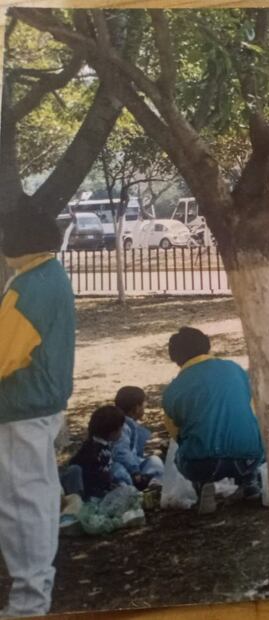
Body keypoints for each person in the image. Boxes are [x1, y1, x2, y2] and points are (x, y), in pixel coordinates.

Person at [0, 208, 75, 617]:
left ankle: (28, 605)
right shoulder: (50, 276)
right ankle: (34, 594)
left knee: (21, 506)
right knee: (37, 501)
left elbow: (3, 356)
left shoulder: (29, 286)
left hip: (20, 410)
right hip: (39, 407)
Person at [162, 327, 265, 514]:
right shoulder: (235, 369)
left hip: (203, 463)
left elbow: (176, 433)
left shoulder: (174, 389)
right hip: (249, 456)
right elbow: (252, 408)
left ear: (174, 357)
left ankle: (203, 485)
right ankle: (250, 482)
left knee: (181, 453)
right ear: (207, 346)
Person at [111, 386, 165, 491]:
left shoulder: (131, 425)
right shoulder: (123, 427)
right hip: (125, 467)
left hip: (133, 464)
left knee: (154, 460)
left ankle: (154, 484)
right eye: (143, 406)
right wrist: (134, 471)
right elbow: (121, 452)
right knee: (118, 472)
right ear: (136, 408)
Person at [68, 405, 126, 500]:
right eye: (121, 429)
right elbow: (100, 476)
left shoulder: (91, 445)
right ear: (113, 432)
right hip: (94, 495)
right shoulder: (100, 452)